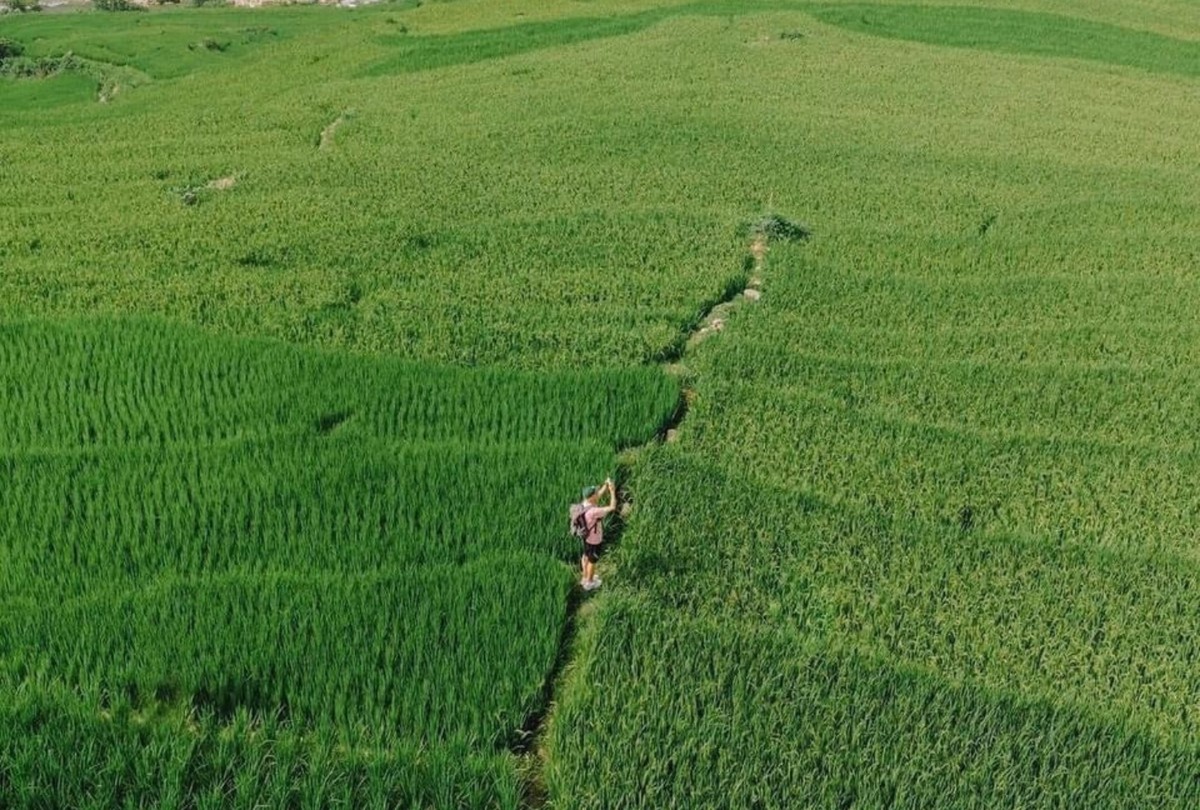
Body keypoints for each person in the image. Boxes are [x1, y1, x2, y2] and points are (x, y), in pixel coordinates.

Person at [573, 478, 617, 591]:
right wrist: (612, 491)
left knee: (586, 556)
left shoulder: (584, 504)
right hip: (595, 540)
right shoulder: (593, 511)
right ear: (592, 497)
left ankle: (584, 577)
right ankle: (590, 582)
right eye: (596, 493)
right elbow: (612, 507)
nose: (598, 493)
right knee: (593, 561)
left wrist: (605, 486)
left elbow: (597, 496)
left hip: (586, 538)